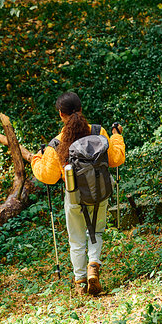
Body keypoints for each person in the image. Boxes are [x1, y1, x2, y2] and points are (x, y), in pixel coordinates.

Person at [32, 92, 125, 296]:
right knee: (97, 231)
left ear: (60, 114)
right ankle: (94, 266)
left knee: (76, 239)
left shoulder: (55, 144)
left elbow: (48, 176)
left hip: (74, 196)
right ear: (81, 109)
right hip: (100, 191)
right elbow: (116, 159)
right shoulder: (99, 132)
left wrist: (36, 159)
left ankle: (80, 281)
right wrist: (117, 135)